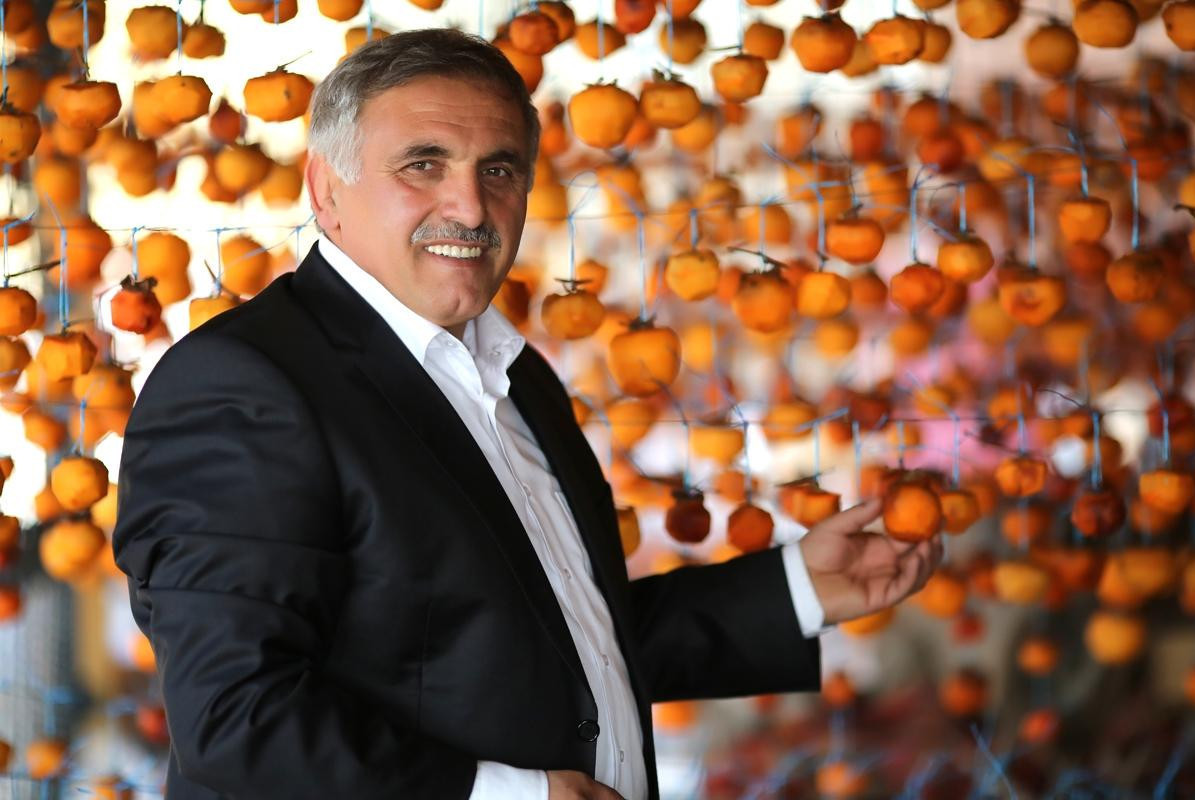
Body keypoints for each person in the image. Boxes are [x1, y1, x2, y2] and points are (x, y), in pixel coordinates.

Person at [113, 28, 942, 800]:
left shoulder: (515, 376)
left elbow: (546, 643)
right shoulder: (248, 384)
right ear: (326, 190)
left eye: (499, 170)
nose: (472, 209)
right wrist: (506, 795)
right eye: (423, 165)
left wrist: (795, 589)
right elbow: (235, 715)